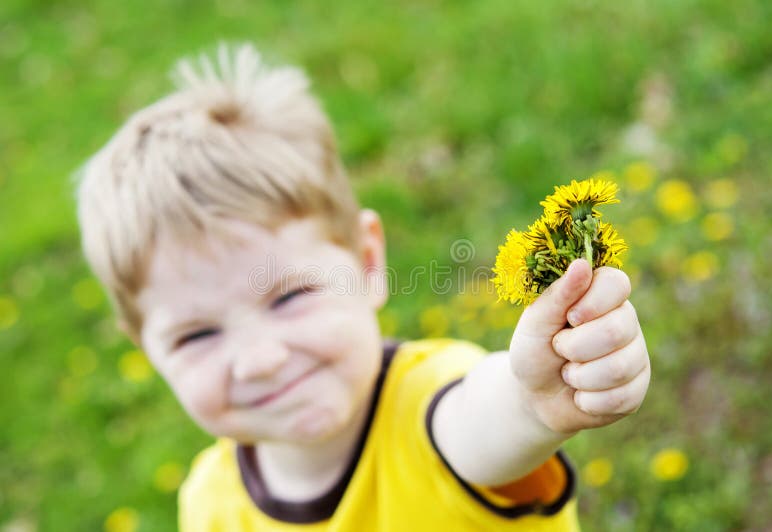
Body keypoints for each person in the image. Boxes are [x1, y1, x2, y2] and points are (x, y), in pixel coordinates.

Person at [76, 43, 650, 531]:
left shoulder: (435, 406)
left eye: (290, 297)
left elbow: (488, 418)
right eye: (195, 335)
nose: (260, 360)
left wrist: (530, 403)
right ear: (146, 348)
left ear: (367, 262)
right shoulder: (208, 504)